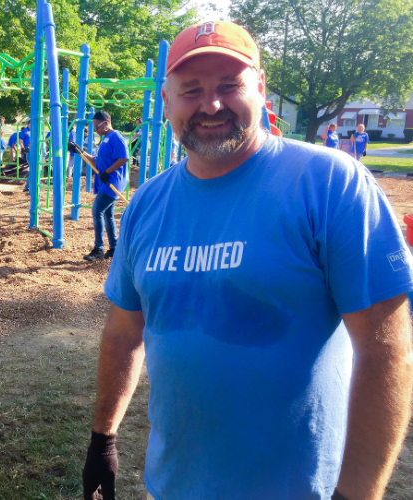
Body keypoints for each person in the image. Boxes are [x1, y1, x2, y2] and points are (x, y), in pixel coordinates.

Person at [81, 21, 413, 500]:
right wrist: (103, 438)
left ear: (261, 90)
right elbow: (124, 330)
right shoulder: (149, 204)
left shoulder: (329, 185)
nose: (210, 104)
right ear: (167, 102)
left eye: (229, 85)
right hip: (173, 486)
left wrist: (356, 495)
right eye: (191, 89)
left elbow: (386, 350)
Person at [73, 110, 129, 262]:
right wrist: (80, 152)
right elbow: (95, 161)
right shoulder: (104, 139)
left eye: (97, 126)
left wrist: (107, 172)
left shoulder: (115, 136)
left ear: (106, 123)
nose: (96, 130)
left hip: (114, 180)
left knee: (97, 210)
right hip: (106, 179)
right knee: (107, 213)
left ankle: (99, 249)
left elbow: (123, 158)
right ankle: (114, 247)